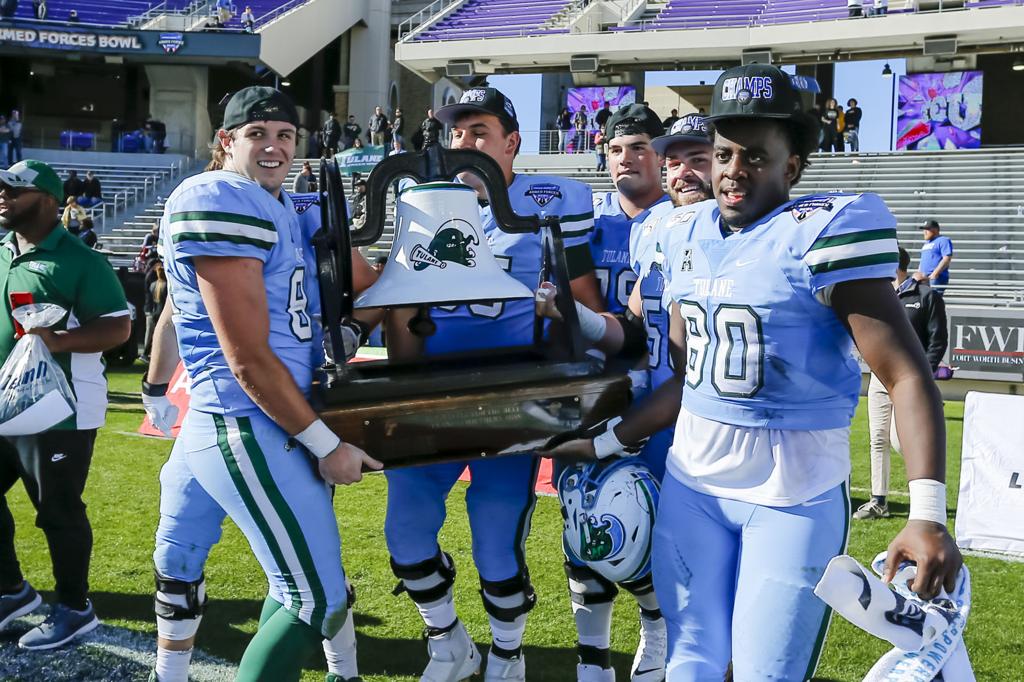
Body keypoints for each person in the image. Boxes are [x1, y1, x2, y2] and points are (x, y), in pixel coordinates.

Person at [544, 63, 962, 681]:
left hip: (792, 493)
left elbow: (903, 373)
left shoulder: (819, 232)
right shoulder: (679, 233)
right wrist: (605, 439)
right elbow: (689, 384)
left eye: (757, 157)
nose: (734, 170)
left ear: (791, 167)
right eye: (724, 153)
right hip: (694, 486)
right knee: (690, 664)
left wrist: (926, 509)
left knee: (767, 673)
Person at [152, 86, 381, 682]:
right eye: (257, 134)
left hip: (251, 417)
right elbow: (248, 357)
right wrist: (326, 447)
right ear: (226, 142)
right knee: (316, 599)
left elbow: (368, 288)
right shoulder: (218, 195)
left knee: (212, 564)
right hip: (247, 420)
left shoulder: (279, 204)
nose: (274, 146)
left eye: (285, 135)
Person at [383, 86, 601, 682]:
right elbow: (403, 317)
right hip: (433, 397)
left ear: (512, 143)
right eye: (456, 132)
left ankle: (508, 652)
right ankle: (448, 641)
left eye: (479, 131)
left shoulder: (547, 199)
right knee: (404, 535)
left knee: (495, 541)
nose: (464, 144)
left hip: (510, 401)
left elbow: (586, 310)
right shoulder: (421, 202)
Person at [0, 159, 131, 649]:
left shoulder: (82, 261)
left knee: (56, 510)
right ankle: (12, 591)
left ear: (50, 200)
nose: (4, 197)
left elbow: (118, 327)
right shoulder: (2, 251)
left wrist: (55, 340)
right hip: (4, 402)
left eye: (15, 190)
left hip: (62, 408)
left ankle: (75, 608)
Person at [856, 246, 948, 520]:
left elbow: (937, 339)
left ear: (894, 263)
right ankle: (879, 501)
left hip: (909, 380)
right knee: (877, 440)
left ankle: (925, 497)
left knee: (900, 441)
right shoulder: (877, 295)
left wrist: (924, 376)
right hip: (878, 378)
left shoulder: (926, 295)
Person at [914, 219, 953, 293]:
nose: (924, 232)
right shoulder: (926, 244)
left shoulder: (943, 240)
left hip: (936, 278)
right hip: (924, 278)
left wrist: (935, 274)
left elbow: (946, 258)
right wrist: (919, 273)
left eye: (927, 229)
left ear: (935, 230)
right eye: (924, 230)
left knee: (934, 301)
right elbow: (923, 260)